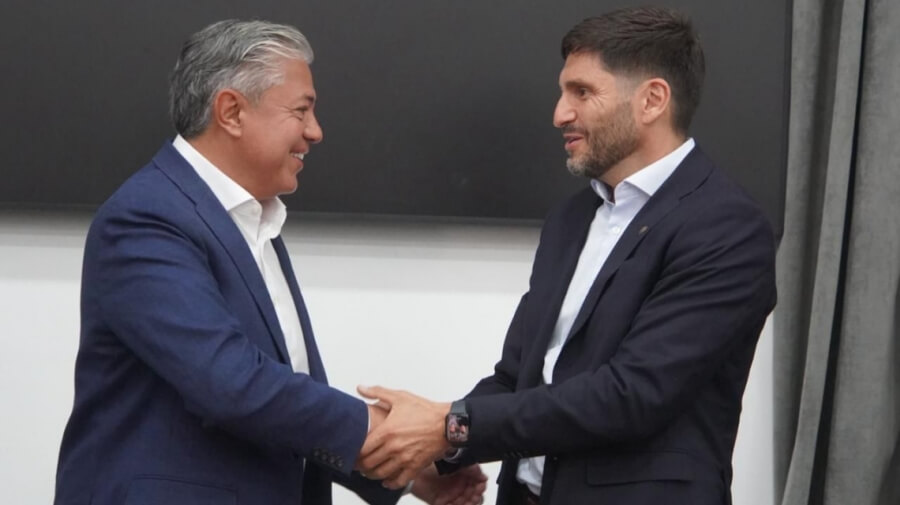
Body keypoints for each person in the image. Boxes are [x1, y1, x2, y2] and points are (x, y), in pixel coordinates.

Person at [54, 19, 486, 505]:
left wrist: (399, 472)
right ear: (232, 111)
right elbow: (230, 382)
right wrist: (384, 433)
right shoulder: (146, 219)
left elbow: (280, 398)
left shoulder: (253, 222)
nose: (315, 132)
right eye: (301, 111)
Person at [356, 6, 777, 505]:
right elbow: (517, 378)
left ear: (652, 100)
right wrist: (438, 450)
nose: (560, 113)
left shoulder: (727, 227)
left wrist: (453, 426)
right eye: (564, 92)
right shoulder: (570, 219)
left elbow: (632, 395)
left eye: (582, 92)